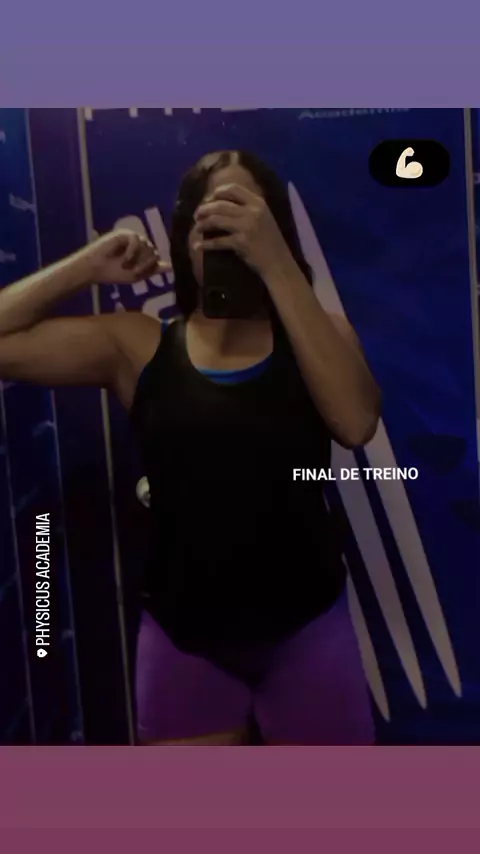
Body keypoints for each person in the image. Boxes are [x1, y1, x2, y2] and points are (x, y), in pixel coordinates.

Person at [0, 150, 381, 746]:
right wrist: (85, 266)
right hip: (185, 641)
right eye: (210, 222)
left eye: (241, 215)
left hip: (306, 631)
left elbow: (356, 423)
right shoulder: (138, 345)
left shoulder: (321, 334)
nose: (226, 235)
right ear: (186, 241)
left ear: (273, 227)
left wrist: (277, 263)